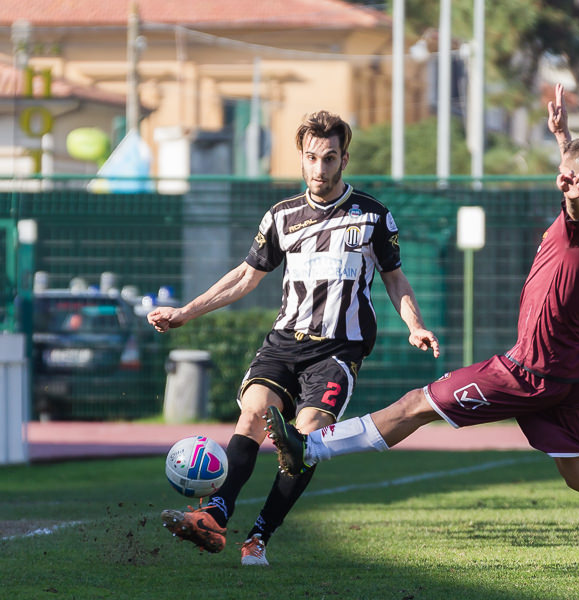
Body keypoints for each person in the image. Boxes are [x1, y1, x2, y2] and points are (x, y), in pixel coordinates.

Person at [265, 84, 579, 575]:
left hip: (529, 369)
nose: (562, 182)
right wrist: (564, 137)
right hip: (571, 373)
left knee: (416, 405)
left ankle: (309, 446)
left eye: (569, 178)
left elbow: (577, 208)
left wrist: (572, 198)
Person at [148, 110, 441, 565]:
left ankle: (259, 537)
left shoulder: (374, 217)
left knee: (305, 439)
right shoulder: (281, 216)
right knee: (252, 414)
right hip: (284, 343)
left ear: (344, 159)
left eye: (329, 158)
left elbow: (395, 279)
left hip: (337, 351)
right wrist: (186, 312)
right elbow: (246, 276)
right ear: (301, 159)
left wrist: (414, 325)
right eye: (311, 158)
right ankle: (216, 515)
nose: (319, 169)